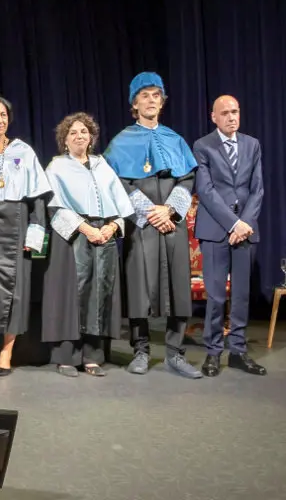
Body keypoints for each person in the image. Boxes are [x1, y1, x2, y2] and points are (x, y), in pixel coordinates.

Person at [103, 72, 201, 378]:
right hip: (142, 225)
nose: (150, 100)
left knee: (178, 286)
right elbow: (116, 181)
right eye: (144, 95)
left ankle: (176, 353)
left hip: (172, 222)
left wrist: (170, 209)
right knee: (139, 286)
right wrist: (149, 211)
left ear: (162, 102)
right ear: (135, 103)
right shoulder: (122, 141)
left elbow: (187, 177)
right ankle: (141, 350)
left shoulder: (175, 139)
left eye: (155, 95)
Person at [42, 113, 133, 377]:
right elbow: (54, 206)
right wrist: (86, 229)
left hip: (104, 235)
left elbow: (120, 204)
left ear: (91, 137)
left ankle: (92, 356)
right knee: (74, 294)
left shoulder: (102, 165)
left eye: (84, 131)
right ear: (65, 140)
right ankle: (67, 357)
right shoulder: (57, 167)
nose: (79, 136)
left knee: (99, 295)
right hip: (75, 236)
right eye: (73, 133)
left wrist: (111, 227)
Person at [0, 95, 51, 376]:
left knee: (14, 291)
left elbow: (38, 196)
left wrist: (35, 233)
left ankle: (6, 354)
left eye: (3, 115)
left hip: (17, 223)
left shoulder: (23, 151)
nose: (0, 120)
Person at [192, 95, 266, 376]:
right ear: (214, 117)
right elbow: (206, 191)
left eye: (235, 111)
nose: (232, 117)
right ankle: (213, 352)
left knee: (242, 295)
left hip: (246, 230)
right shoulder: (202, 146)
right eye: (225, 113)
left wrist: (244, 223)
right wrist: (233, 224)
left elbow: (257, 188)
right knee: (216, 297)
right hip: (215, 230)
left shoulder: (252, 144)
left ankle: (238, 351)